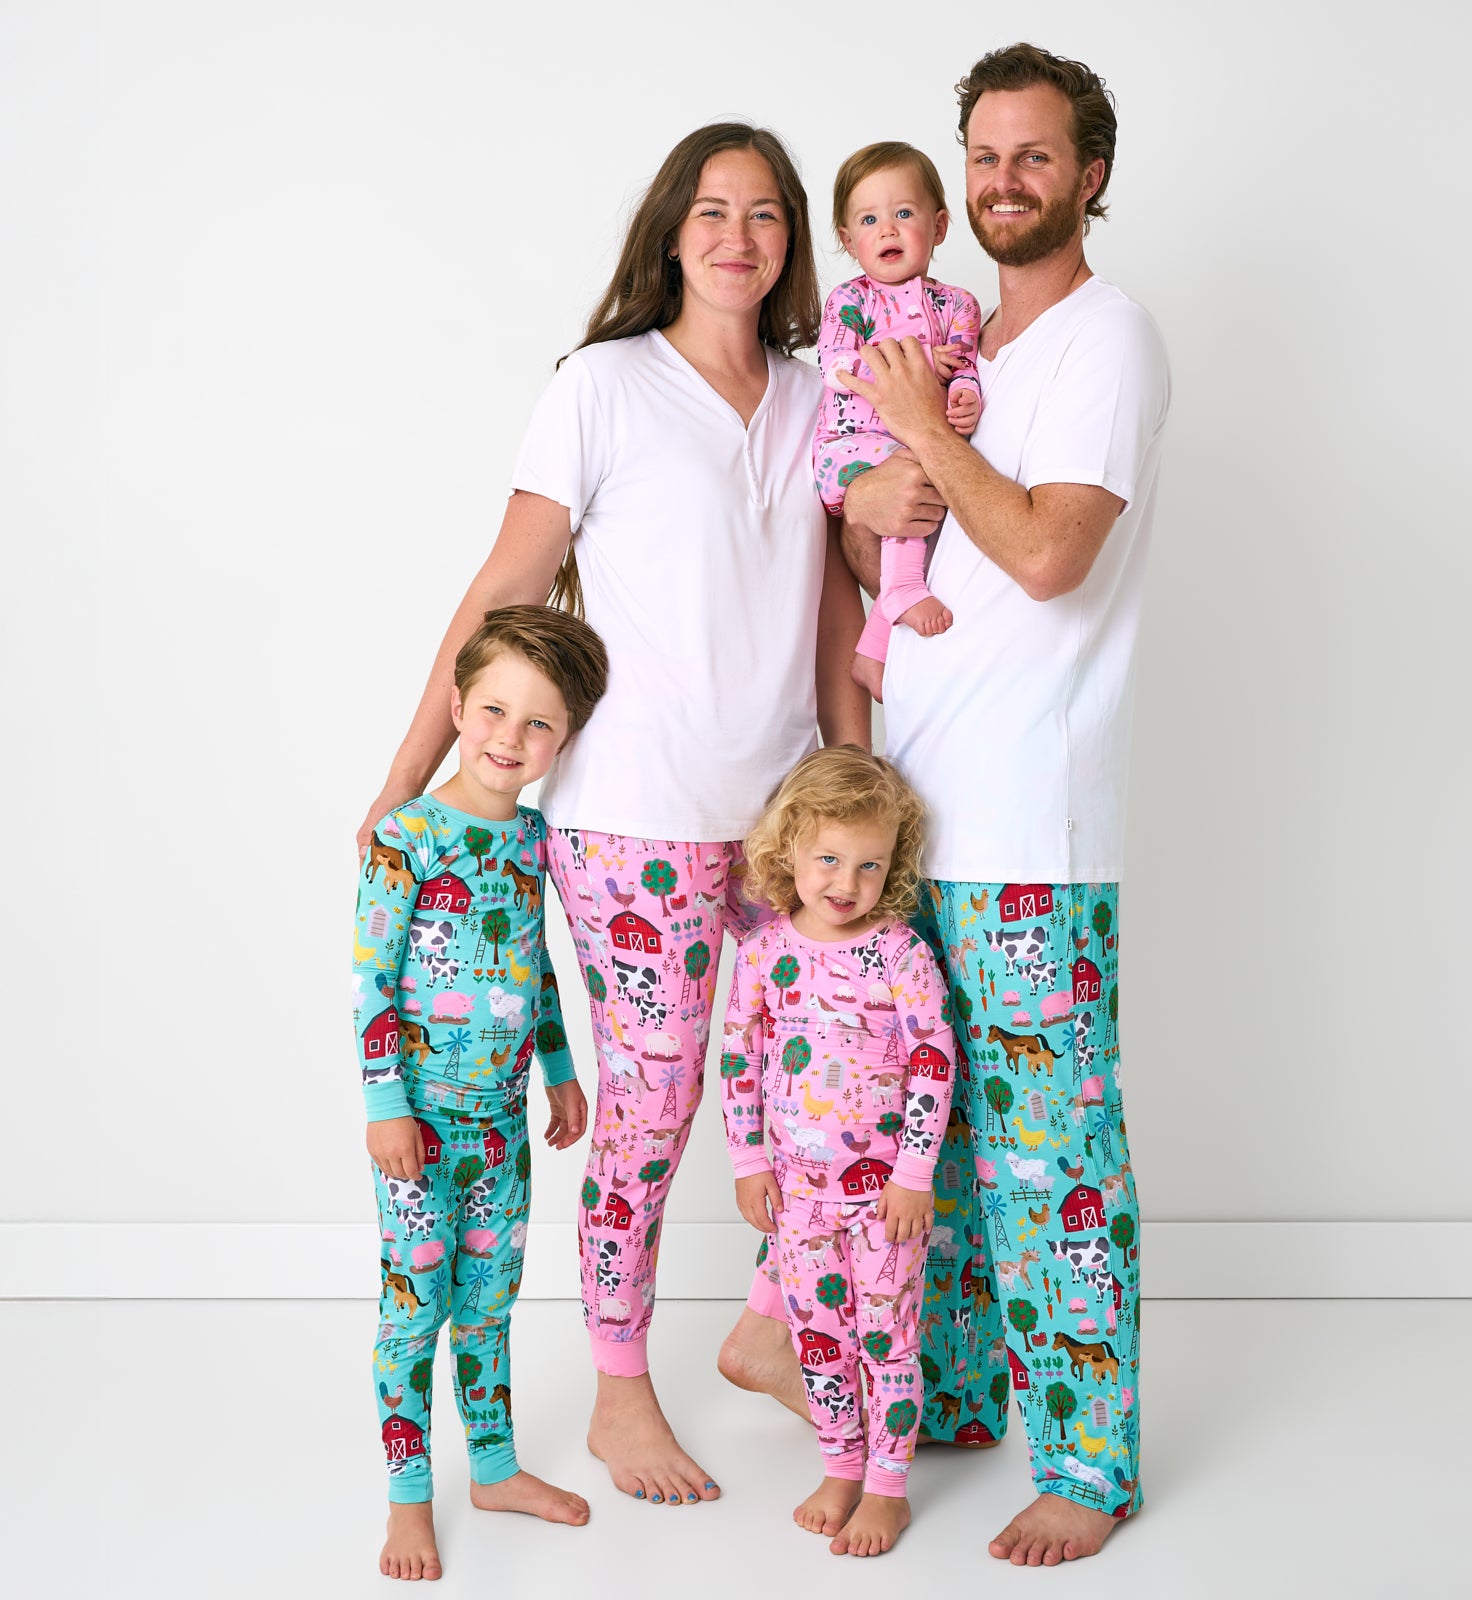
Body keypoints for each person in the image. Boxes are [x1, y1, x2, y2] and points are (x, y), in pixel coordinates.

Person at [359, 121, 868, 1512]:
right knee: (653, 1106)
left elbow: (836, 612)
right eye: (711, 211)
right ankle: (619, 1388)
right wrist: (407, 773)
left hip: (785, 820)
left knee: (832, 1079)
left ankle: (769, 1327)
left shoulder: (821, 399)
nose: (738, 237)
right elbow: (503, 589)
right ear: (670, 232)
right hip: (634, 823)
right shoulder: (602, 384)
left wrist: (858, 782)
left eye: (765, 214)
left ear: (791, 243)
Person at [719, 45, 1171, 1567]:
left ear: (1090, 173)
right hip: (912, 831)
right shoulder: (961, 333)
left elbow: (1046, 555)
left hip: (1033, 829)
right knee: (942, 1159)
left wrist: (920, 433)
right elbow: (898, 552)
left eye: (1034, 156)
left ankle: (1089, 1467)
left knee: (1052, 1162)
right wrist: (867, 505)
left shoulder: (1105, 338)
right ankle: (959, 1400)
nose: (1001, 181)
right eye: (983, 155)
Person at [355, 605, 610, 1581]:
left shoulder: (532, 839)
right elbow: (371, 982)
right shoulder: (406, 835)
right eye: (495, 710)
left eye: (538, 723)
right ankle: (408, 1497)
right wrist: (385, 1106)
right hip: (419, 1127)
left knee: (490, 1301)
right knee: (414, 1309)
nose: (511, 737)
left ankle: (494, 1469)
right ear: (458, 707)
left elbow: (533, 965)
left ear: (563, 739)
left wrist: (559, 1069)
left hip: (501, 1129)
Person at [720, 748, 953, 1557]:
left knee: (887, 1339)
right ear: (790, 847)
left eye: (868, 864)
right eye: (828, 858)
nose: (846, 882)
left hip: (885, 1199)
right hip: (797, 1197)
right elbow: (739, 1060)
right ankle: (841, 1466)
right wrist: (749, 1163)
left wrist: (914, 1173)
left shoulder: (899, 953)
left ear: (893, 864)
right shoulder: (763, 952)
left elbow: (933, 1059)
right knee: (819, 1337)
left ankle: (888, 1487)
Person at [812, 142, 982, 697]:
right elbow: (837, 367)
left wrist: (964, 394)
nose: (887, 229)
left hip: (915, 446)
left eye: (904, 213)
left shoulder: (958, 305)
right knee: (921, 468)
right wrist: (918, 358)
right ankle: (904, 587)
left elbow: (966, 365)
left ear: (939, 226)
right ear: (848, 241)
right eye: (869, 220)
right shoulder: (850, 301)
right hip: (851, 448)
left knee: (949, 504)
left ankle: (873, 652)